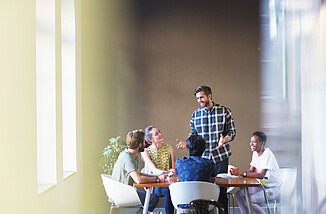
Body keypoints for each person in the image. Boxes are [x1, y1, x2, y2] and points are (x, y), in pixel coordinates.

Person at [176, 85, 236, 213]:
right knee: (203, 191)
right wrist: (186, 144)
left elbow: (232, 132)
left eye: (201, 97)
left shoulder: (224, 111)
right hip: (203, 159)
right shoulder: (195, 115)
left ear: (209, 96)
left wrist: (224, 139)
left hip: (220, 156)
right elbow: (193, 135)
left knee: (222, 190)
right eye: (197, 98)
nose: (199, 100)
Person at [111, 129, 167, 212]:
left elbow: (139, 174)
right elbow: (138, 179)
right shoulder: (127, 157)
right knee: (153, 199)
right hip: (121, 195)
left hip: (126, 192)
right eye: (144, 141)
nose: (146, 143)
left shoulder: (134, 155)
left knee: (151, 198)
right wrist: (158, 179)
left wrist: (157, 176)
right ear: (140, 144)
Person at [230, 131, 282, 214]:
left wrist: (241, 173)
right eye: (251, 142)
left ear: (262, 143)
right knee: (239, 194)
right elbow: (251, 171)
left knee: (250, 201)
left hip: (272, 189)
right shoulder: (255, 153)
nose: (251, 144)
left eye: (254, 142)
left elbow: (261, 175)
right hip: (261, 186)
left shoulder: (267, 154)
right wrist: (237, 173)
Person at [141, 125, 176, 214]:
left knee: (171, 188)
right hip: (153, 183)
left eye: (159, 132)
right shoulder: (146, 151)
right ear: (150, 139)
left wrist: (172, 172)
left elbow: (174, 168)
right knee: (169, 190)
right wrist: (166, 172)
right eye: (156, 134)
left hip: (166, 181)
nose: (160, 134)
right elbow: (153, 169)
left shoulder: (169, 148)